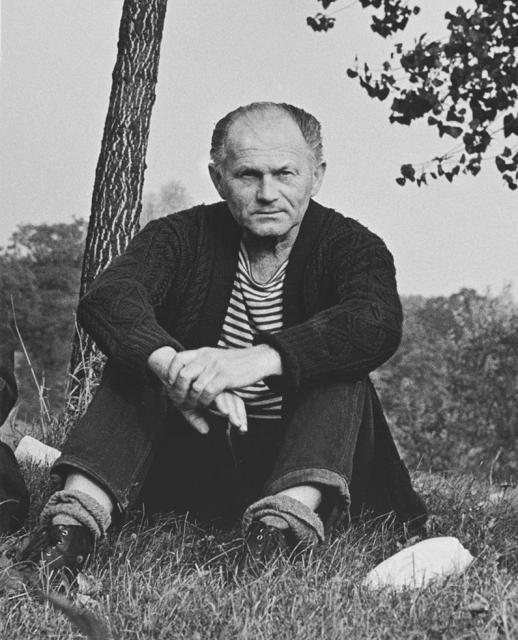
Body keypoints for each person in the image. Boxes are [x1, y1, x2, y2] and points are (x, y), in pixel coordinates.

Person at [19, 102, 426, 577]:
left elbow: (374, 321)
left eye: (285, 173)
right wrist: (176, 367)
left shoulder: (353, 246)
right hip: (195, 454)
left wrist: (255, 360)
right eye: (248, 175)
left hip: (303, 464)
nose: (267, 193)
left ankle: (279, 536)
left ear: (316, 176)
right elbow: (110, 297)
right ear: (218, 178)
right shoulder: (179, 236)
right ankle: (68, 533)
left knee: (339, 366)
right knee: (141, 359)